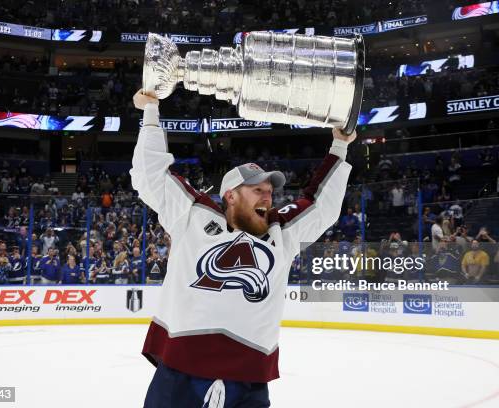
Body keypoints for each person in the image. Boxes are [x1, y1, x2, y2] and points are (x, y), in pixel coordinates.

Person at [131, 90, 355, 407]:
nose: (267, 196)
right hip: (180, 373)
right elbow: (150, 176)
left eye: (269, 190)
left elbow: (322, 206)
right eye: (256, 189)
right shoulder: (193, 215)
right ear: (231, 196)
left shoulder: (282, 231)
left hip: (248, 380)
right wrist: (151, 111)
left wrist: (340, 145)